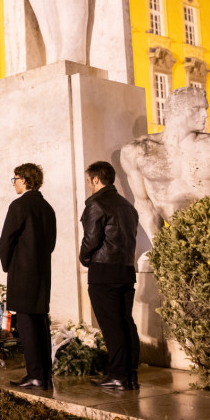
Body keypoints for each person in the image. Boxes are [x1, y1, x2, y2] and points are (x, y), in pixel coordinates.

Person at [121, 87, 210, 242]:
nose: (205, 115)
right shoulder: (137, 151)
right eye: (197, 108)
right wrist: (158, 246)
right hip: (177, 240)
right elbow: (143, 203)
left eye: (205, 109)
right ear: (175, 111)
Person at [79, 161, 140, 390]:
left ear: (96, 179)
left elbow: (91, 239)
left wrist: (84, 258)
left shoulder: (96, 204)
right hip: (125, 270)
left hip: (104, 271)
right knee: (126, 323)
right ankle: (130, 375)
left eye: (89, 181)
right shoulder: (127, 206)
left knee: (112, 326)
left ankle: (117, 376)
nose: (89, 185)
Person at [0, 163, 57, 389]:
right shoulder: (47, 208)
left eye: (15, 179)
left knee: (26, 325)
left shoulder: (19, 205)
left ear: (24, 179)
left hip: (23, 273)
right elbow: (50, 244)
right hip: (42, 273)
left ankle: (34, 375)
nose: (13, 184)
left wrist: (8, 266)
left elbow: (6, 241)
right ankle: (45, 375)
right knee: (41, 324)